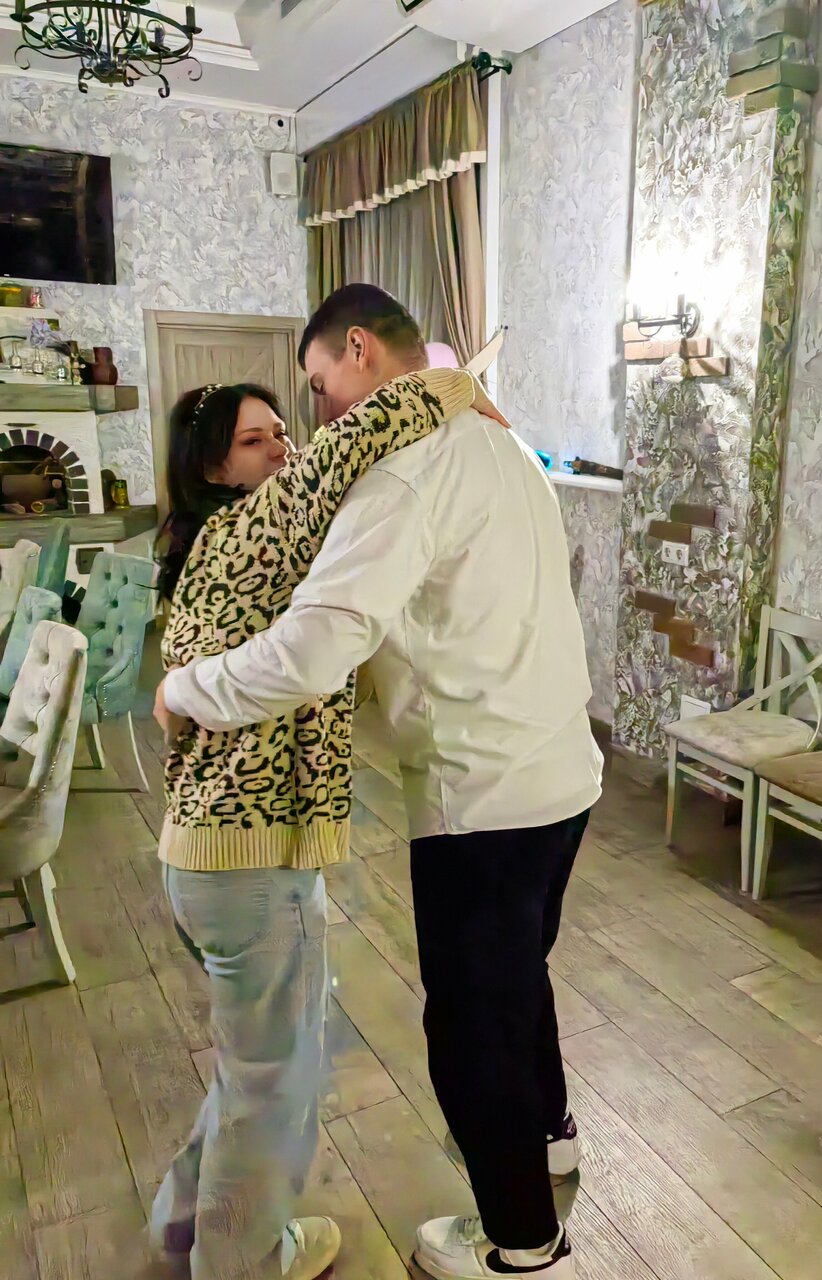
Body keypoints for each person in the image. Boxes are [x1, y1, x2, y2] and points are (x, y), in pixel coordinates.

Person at [155, 284, 603, 1280]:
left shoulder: (403, 473)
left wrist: (185, 689)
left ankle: (525, 1244)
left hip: (482, 793)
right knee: (518, 974)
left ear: (359, 349)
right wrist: (451, 387)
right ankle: (551, 1136)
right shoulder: (506, 447)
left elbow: (314, 651)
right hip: (564, 770)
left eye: (316, 389)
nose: (315, 423)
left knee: (471, 1023)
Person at [151, 364, 488, 1280]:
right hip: (252, 867)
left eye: (280, 431)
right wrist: (455, 384)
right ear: (214, 468)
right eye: (253, 441)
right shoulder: (260, 522)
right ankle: (241, 1258)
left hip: (202, 861)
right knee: (275, 1083)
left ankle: (184, 1226)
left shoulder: (204, 545)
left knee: (250, 1068)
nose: (282, 450)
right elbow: (351, 442)